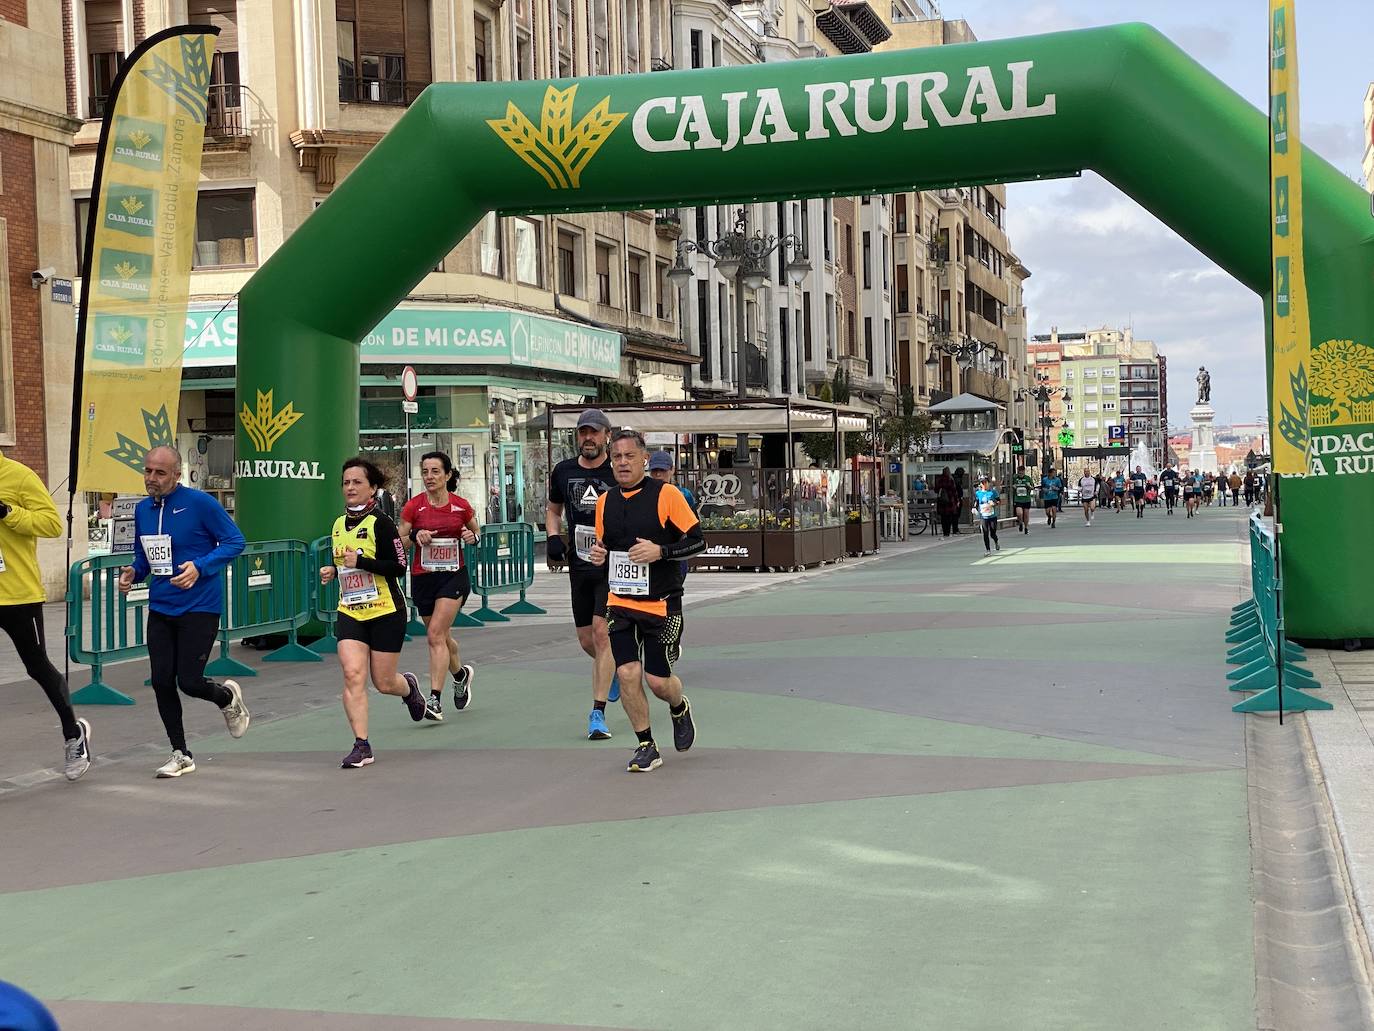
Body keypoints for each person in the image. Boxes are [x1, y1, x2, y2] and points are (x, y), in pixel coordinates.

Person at [118, 446, 249, 778]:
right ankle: (180, 753)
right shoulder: (143, 510)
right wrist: (134, 572)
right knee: (162, 681)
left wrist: (200, 567)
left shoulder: (200, 503)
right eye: (147, 471)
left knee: (188, 682)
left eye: (160, 473)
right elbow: (144, 556)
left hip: (200, 606)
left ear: (177, 474)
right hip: (161, 606)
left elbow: (235, 541)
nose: (152, 479)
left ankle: (225, 697)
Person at [588, 428, 704, 772]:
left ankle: (679, 706)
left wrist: (661, 551)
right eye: (617, 457)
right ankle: (646, 745)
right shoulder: (604, 502)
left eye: (629, 456)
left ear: (644, 460)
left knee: (657, 681)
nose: (622, 463)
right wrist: (599, 555)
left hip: (662, 602)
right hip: (620, 602)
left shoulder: (666, 495)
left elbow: (698, 541)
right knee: (626, 673)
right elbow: (605, 546)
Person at [319, 457, 426, 769]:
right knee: (352, 674)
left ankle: (408, 687)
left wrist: (362, 562)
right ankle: (361, 745)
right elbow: (343, 562)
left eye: (357, 482)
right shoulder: (338, 524)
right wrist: (331, 569)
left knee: (383, 682)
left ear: (373, 489)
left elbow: (399, 566)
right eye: (346, 482)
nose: (350, 487)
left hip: (384, 610)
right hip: (351, 610)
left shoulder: (382, 523)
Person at [0, 450, 92, 781]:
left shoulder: (19, 476)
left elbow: (52, 523)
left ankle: (73, 734)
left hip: (18, 593)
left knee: (37, 665)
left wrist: (8, 512)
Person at [546, 408, 619, 740]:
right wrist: (551, 538)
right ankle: (612, 666)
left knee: (602, 634)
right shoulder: (563, 471)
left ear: (606, 435)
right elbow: (553, 509)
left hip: (610, 565)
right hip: (579, 565)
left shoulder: (616, 469)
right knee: (587, 640)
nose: (588, 438)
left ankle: (597, 714)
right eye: (582, 433)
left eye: (594, 432)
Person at [399, 451, 479, 723]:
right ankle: (460, 675)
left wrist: (471, 536)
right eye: (425, 472)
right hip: (424, 577)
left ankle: (434, 699)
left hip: (453, 577)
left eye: (435, 471)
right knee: (442, 637)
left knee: (434, 634)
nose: (429, 477)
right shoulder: (414, 507)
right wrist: (414, 535)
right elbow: (400, 543)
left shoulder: (460, 506)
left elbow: (475, 532)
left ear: (447, 475)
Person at [648, 450, 697, 579]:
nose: (658, 474)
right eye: (654, 470)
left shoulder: (684, 495)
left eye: (662, 470)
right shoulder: (643, 494)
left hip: (675, 553)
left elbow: (694, 530)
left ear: (672, 470)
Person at [972, 474, 1001, 555]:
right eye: (982, 483)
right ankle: (988, 550)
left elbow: (999, 501)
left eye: (985, 482)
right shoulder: (978, 493)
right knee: (985, 532)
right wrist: (974, 508)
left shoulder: (993, 492)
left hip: (992, 516)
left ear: (988, 483)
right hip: (983, 516)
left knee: (992, 533)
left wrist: (994, 503)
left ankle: (996, 541)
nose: (983, 484)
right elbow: (976, 502)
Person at [934, 466, 960, 537]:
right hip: (950, 500)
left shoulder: (939, 479)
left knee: (943, 517)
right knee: (949, 517)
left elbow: (936, 490)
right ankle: (948, 531)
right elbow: (954, 491)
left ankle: (945, 531)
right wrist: (957, 500)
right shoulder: (950, 479)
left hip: (942, 500)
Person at [1011, 464, 1035, 535]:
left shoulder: (1028, 478)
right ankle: (1020, 522)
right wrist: (1013, 486)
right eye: (1019, 473)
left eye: (1022, 473)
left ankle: (1026, 527)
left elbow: (1032, 487)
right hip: (1018, 499)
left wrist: (1029, 486)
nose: (1020, 474)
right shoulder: (1015, 478)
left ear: (1024, 472)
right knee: (1019, 513)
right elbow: (1010, 485)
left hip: (1026, 499)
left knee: (1026, 514)